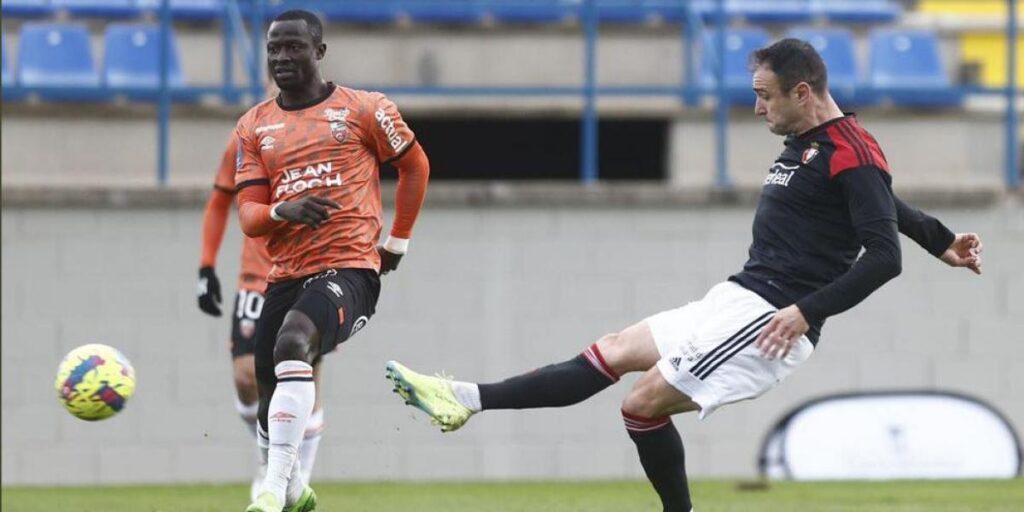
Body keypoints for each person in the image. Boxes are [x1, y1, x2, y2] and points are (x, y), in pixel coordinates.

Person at [384, 39, 983, 512]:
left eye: (765, 96)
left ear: (803, 92)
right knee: (617, 350)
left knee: (641, 404)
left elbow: (883, 255)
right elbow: (886, 207)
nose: (756, 108)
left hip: (772, 319)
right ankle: (463, 399)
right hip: (739, 296)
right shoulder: (813, 142)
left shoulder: (851, 148)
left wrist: (806, 311)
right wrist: (941, 240)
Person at [234, 9, 430, 512]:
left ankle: (272, 494)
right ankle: (296, 488)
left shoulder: (364, 109)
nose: (281, 57)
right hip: (286, 274)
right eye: (274, 48)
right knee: (265, 387)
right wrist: (285, 209)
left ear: (319, 52)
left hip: (350, 267)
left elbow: (414, 165)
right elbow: (251, 218)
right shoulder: (254, 126)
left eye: (293, 47)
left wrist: (397, 243)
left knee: (295, 341)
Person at [197, 127, 326, 500]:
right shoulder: (246, 135)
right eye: (273, 71)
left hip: (310, 270)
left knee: (302, 380)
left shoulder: (326, 129)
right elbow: (221, 200)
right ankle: (273, 462)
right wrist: (206, 266)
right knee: (245, 377)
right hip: (258, 276)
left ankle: (289, 481)